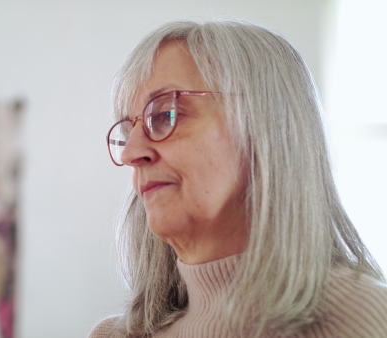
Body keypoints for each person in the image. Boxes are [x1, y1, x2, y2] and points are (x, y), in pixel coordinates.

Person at [90, 19, 387, 337]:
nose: (130, 154)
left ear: (267, 127)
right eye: (127, 131)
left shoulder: (360, 316)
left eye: (165, 114)